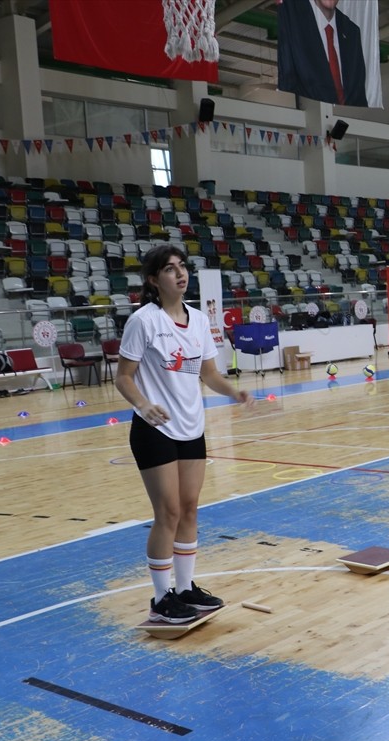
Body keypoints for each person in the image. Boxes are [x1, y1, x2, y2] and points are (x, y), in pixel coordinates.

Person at [114, 246, 254, 624]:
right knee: (168, 512)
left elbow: (208, 374)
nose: (180, 274)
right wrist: (144, 406)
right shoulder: (143, 322)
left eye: (183, 267)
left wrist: (233, 392)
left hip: (192, 427)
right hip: (154, 428)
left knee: (190, 508)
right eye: (170, 269)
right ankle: (161, 600)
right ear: (153, 280)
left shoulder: (197, 321)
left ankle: (186, 587)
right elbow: (123, 377)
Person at [277, 0, 368, 107]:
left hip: (349, 117)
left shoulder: (352, 32)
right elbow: (288, 79)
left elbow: (358, 91)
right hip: (309, 114)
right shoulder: (293, 20)